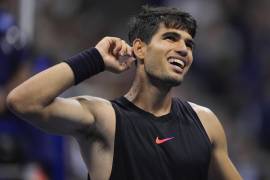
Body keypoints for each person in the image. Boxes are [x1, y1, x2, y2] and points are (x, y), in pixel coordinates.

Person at [6, 6, 242, 180]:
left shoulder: (206, 122)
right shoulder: (105, 119)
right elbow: (23, 101)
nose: (182, 49)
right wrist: (94, 59)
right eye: (171, 38)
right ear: (139, 48)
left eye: (188, 44)